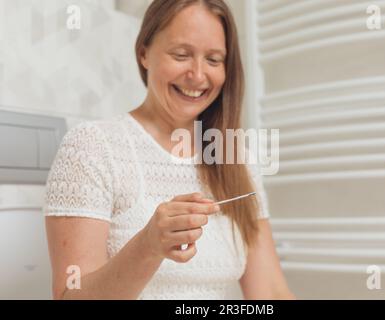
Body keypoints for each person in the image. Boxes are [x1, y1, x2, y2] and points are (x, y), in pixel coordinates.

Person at [44, 0, 295, 300]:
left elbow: (270, 292)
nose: (198, 75)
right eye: (181, 55)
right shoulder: (91, 148)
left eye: (214, 60)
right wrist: (148, 246)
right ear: (144, 53)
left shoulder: (236, 159)